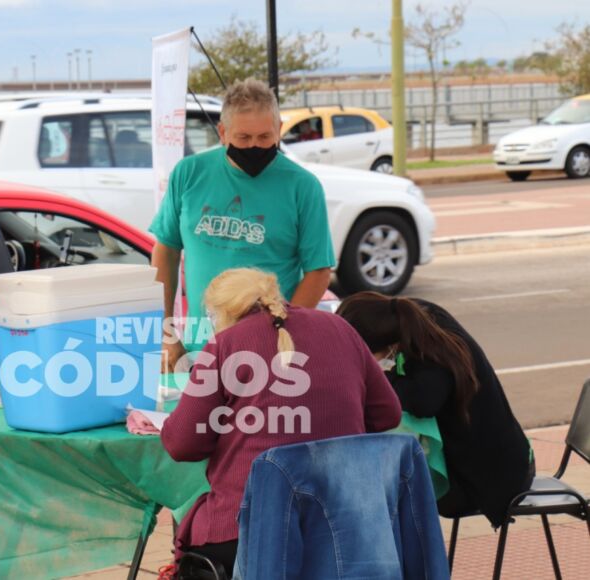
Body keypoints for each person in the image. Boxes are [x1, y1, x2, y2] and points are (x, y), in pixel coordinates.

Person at [159, 269, 402, 577]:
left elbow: (182, 444)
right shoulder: (339, 327)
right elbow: (387, 414)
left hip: (248, 531)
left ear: (222, 312)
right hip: (342, 523)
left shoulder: (225, 344)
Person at [149, 79, 336, 369]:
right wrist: (167, 333)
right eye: (244, 138)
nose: (254, 147)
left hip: (272, 351)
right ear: (222, 133)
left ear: (279, 129)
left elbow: (318, 271)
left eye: (264, 137)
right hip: (203, 347)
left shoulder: (303, 186)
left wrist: (286, 331)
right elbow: (166, 252)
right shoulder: (189, 173)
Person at [336, 292, 534, 528]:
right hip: (505, 461)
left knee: (373, 493)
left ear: (386, 345)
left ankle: (401, 563)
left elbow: (422, 402)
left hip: (490, 480)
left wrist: (376, 378)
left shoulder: (432, 352)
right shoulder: (416, 321)